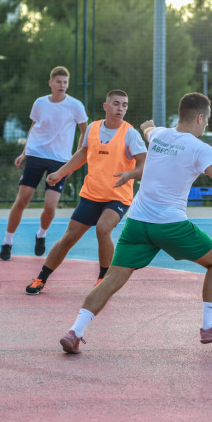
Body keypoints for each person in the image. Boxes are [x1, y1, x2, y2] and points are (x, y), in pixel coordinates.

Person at [59, 92, 212, 354]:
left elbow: (149, 131)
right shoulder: (201, 148)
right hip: (170, 225)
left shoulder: (160, 135)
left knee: (110, 280)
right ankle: (209, 325)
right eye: (207, 120)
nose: (207, 125)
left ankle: (74, 332)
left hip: (136, 223)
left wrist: (146, 126)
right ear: (200, 118)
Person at [25, 90, 147, 295]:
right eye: (116, 104)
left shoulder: (130, 134)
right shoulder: (93, 128)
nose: (121, 109)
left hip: (118, 196)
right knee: (69, 238)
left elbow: (145, 164)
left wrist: (129, 174)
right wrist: (61, 172)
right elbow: (83, 153)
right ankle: (41, 278)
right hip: (91, 194)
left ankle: (104, 279)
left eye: (124, 105)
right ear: (105, 106)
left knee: (102, 228)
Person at [0, 66, 89, 260]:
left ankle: (41, 235)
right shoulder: (40, 103)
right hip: (36, 155)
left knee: (50, 206)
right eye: (58, 82)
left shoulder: (75, 106)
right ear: (51, 83)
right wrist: (24, 152)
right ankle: (7, 242)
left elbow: (85, 131)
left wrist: (75, 159)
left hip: (60, 161)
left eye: (65, 82)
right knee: (22, 199)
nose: (62, 86)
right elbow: (34, 126)